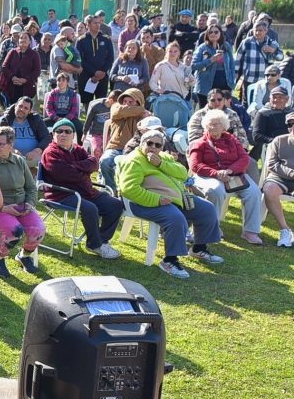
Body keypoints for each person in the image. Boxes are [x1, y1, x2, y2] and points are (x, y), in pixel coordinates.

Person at [116, 128, 223, 278]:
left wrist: (161, 164)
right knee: (175, 218)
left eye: (158, 145)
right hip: (142, 203)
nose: (153, 147)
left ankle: (199, 248)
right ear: (141, 143)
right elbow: (129, 189)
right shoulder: (134, 160)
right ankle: (169, 261)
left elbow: (182, 173)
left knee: (207, 209)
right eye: (150, 143)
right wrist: (156, 199)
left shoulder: (162, 157)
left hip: (174, 198)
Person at [41, 119, 123, 258]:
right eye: (59, 131)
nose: (63, 134)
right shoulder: (51, 152)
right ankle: (95, 245)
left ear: (73, 135)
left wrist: (74, 165)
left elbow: (94, 163)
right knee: (90, 208)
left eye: (67, 131)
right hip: (61, 193)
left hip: (86, 191)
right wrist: (83, 170)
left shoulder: (78, 149)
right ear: (53, 135)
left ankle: (101, 240)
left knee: (115, 204)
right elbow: (65, 174)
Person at [188, 109, 263, 245]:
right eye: (210, 124)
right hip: (207, 176)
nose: (213, 127)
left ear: (223, 127)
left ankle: (250, 231)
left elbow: (244, 158)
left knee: (254, 192)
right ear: (205, 126)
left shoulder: (231, 140)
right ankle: (213, 228)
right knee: (215, 190)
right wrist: (216, 173)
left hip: (232, 175)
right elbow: (196, 165)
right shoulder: (199, 143)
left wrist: (230, 171)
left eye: (217, 124)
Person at [0, 125, 45, 276]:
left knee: (38, 230)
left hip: (22, 206)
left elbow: (31, 187)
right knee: (15, 231)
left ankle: (24, 255)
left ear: (11, 145)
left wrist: (30, 203)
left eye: (0, 144)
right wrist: (3, 208)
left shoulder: (19, 161)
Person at [98, 88, 147, 191]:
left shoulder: (144, 117)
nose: (126, 104)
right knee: (105, 161)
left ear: (138, 102)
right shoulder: (116, 108)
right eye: (125, 101)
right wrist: (141, 109)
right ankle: (112, 189)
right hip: (115, 148)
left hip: (135, 150)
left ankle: (130, 190)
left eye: (130, 102)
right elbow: (119, 111)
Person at [261, 111, 294, 247]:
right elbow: (272, 164)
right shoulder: (279, 140)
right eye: (290, 124)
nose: (292, 126)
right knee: (269, 190)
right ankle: (285, 229)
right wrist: (292, 173)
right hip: (279, 177)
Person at [0, 96, 50, 168]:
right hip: (11, 157)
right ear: (15, 106)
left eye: (26, 108)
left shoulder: (35, 119)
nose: (22, 109)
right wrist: (12, 150)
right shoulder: (5, 119)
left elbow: (46, 137)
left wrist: (36, 151)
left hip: (34, 157)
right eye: (20, 106)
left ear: (29, 111)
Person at [77, 15, 116, 105]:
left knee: (101, 102)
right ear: (88, 25)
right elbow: (79, 59)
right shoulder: (81, 40)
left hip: (102, 76)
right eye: (95, 23)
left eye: (99, 23)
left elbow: (110, 58)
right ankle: (89, 118)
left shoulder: (106, 39)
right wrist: (94, 72)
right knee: (87, 102)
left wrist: (102, 72)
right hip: (86, 75)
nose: (98, 25)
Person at [0, 31, 41, 102]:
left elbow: (37, 71)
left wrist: (25, 80)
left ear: (30, 41)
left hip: (27, 87)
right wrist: (12, 77)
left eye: (25, 38)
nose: (23, 39)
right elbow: (4, 67)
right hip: (12, 86)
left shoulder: (34, 54)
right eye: (21, 38)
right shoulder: (12, 52)